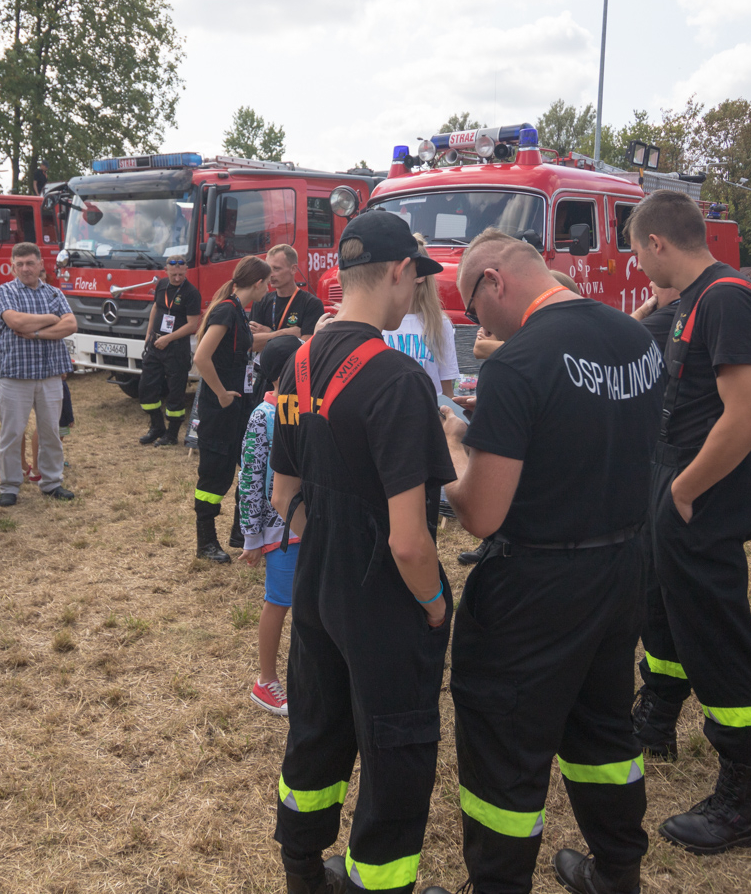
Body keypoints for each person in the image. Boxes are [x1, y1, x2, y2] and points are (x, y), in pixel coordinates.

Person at [438, 229, 662, 894]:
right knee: (603, 726)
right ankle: (618, 868)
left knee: (505, 744)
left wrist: (452, 445)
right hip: (622, 565)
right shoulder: (634, 337)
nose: (478, 324)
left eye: (473, 308)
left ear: (494, 282)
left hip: (537, 584)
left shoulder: (518, 362)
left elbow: (481, 511)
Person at [268, 211, 453, 894]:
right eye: (417, 278)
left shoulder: (298, 360)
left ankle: (302, 872)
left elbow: (285, 488)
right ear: (400, 270)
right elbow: (410, 540)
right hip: (382, 597)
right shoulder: (401, 382)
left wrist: (328, 545)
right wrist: (435, 604)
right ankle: (379, 882)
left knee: (317, 726)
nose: (416, 293)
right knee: (396, 746)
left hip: (316, 580)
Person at [625, 190, 751, 855]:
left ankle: (740, 803)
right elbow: (641, 333)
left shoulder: (726, 299)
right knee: (663, 612)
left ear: (658, 243)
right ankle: (657, 716)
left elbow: (750, 414)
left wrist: (685, 491)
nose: (636, 267)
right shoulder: (691, 298)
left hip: (702, 494)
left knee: (717, 637)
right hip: (674, 484)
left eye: (637, 251)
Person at [237, 335, 304, 717]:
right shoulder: (262, 417)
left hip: (305, 524)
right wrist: (251, 536)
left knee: (307, 604)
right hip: (278, 534)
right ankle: (266, 681)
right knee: (278, 603)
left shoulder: (301, 408)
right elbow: (250, 477)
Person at [189, 254, 269, 564]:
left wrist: (279, 336)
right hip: (221, 409)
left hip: (240, 407)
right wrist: (221, 393)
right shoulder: (226, 310)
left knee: (248, 467)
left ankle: (241, 534)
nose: (268, 291)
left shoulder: (237, 311)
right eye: (267, 285)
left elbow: (241, 349)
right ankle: (206, 542)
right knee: (214, 477)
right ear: (258, 283)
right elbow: (201, 357)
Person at [0, 242, 77, 506]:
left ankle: (51, 482)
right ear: (13, 265)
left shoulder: (54, 292)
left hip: (50, 374)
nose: (25, 269)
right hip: (15, 375)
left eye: (30, 263)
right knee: (12, 434)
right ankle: (9, 486)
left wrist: (36, 332)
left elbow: (71, 324)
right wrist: (52, 319)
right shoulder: (4, 291)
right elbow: (15, 322)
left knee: (51, 431)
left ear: (41, 263)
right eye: (19, 264)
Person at [138, 255, 202, 446]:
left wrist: (168, 338)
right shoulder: (162, 285)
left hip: (176, 348)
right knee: (146, 388)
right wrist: (149, 334)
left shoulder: (191, 293)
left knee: (176, 393)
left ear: (186, 271)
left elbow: (192, 324)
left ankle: (172, 434)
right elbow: (156, 308)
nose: (177, 278)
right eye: (173, 274)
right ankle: (157, 427)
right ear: (166, 270)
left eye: (181, 274)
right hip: (155, 345)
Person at [381, 240, 458, 398]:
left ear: (420, 276)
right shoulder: (379, 318)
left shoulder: (439, 323)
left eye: (401, 267)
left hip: (429, 413)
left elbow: (446, 389)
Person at [250, 244, 326, 351]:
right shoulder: (261, 301)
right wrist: (283, 333)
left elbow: (305, 347)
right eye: (268, 269)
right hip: (263, 367)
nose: (270, 275)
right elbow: (251, 344)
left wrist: (267, 335)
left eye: (276, 269)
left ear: (293, 269)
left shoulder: (311, 303)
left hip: (293, 366)